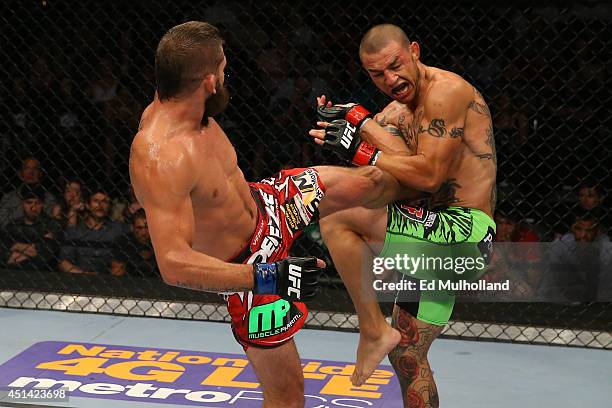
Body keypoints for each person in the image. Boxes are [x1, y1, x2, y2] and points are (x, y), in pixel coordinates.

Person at [129, 21, 406, 408]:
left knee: (376, 181)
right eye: (224, 68)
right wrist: (266, 276)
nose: (228, 75)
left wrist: (357, 136)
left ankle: (378, 326)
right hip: (249, 269)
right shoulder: (161, 156)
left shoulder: (190, 106)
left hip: (269, 203)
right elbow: (173, 264)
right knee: (288, 398)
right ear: (209, 81)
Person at [308, 24, 497, 406]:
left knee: (337, 214)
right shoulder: (396, 109)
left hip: (462, 235)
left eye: (395, 65)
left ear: (414, 51)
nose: (390, 79)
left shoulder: (446, 93)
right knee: (408, 355)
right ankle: (381, 337)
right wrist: (353, 123)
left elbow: (428, 175)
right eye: (377, 74)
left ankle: (372, 329)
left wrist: (360, 146)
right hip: (429, 237)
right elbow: (398, 161)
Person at [59, 187, 127, 274]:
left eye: (104, 202)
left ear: (109, 206)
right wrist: (83, 275)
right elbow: (63, 262)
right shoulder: (76, 230)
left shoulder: (116, 229)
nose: (100, 205)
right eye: (96, 201)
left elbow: (120, 266)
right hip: (79, 279)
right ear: (88, 205)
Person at [1, 184, 61, 271]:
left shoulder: (52, 224)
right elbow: (2, 249)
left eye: (37, 203)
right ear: (22, 204)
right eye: (29, 202)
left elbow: (46, 254)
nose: (33, 207)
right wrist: (31, 249)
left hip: (43, 274)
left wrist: (16, 246)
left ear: (42, 204)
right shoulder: (13, 225)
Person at [111, 209, 159, 278]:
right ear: (132, 227)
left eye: (147, 227)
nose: (144, 232)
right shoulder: (123, 242)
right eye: (139, 228)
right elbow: (117, 273)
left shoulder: (161, 244)